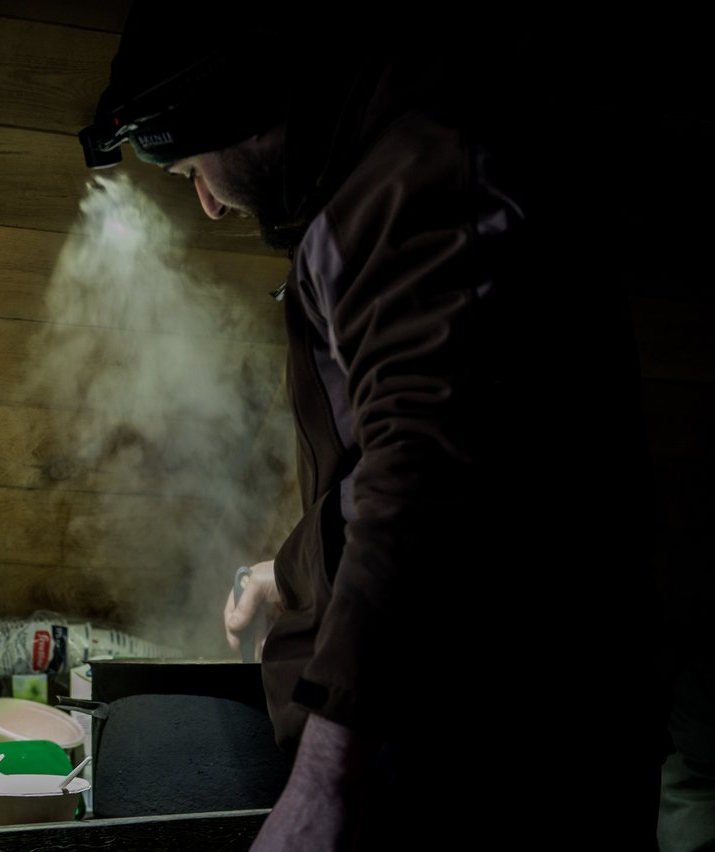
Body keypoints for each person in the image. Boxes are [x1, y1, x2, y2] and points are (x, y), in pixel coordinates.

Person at [80, 6, 671, 850]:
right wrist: (286, 574)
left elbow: (430, 477)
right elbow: (385, 475)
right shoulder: (369, 183)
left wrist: (330, 787)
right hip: (432, 740)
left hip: (491, 756)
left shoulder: (415, 180)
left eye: (192, 170)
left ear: (238, 112)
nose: (207, 203)